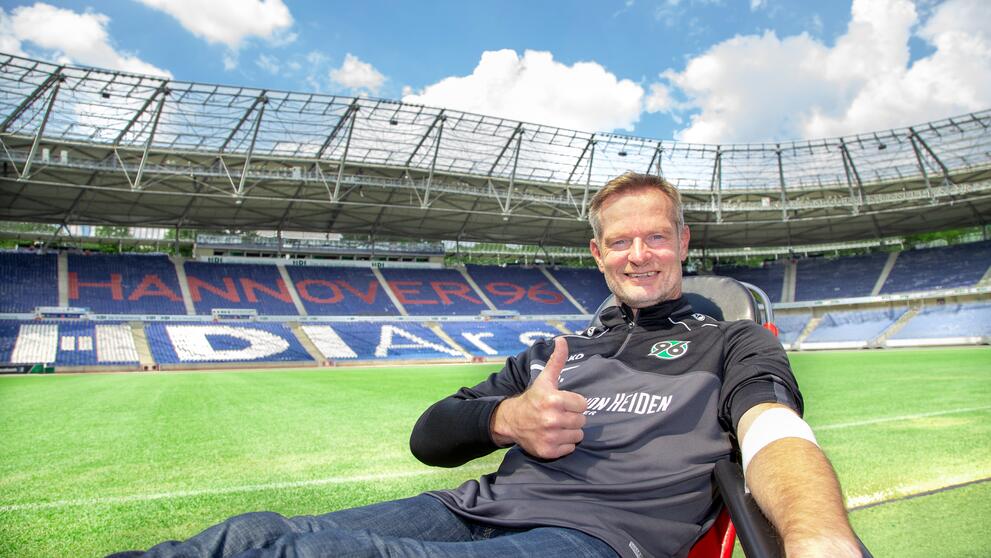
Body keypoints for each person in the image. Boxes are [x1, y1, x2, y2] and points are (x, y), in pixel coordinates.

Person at [117, 172, 860, 558]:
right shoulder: (555, 355)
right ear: (597, 254)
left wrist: (819, 538)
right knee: (250, 536)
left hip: (597, 540)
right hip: (471, 510)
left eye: (656, 238)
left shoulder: (731, 343)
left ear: (682, 243)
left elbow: (773, 433)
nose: (640, 255)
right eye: (621, 241)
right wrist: (507, 419)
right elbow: (430, 436)